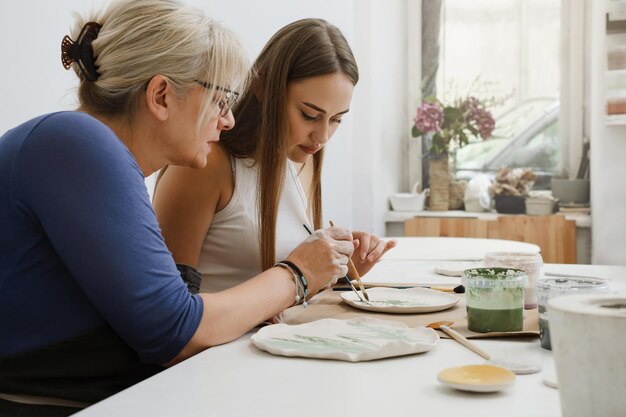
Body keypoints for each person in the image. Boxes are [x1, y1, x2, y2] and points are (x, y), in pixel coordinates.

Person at [0, 2, 354, 416]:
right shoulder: (76, 142)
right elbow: (175, 333)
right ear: (162, 95)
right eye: (221, 101)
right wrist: (297, 273)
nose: (228, 122)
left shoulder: (90, 151)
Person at [153, 18, 396, 293]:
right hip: (224, 337)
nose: (323, 136)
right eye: (309, 115)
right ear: (263, 86)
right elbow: (170, 306)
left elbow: (288, 286)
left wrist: (338, 271)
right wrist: (300, 274)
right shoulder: (205, 165)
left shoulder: (305, 158)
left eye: (336, 119)